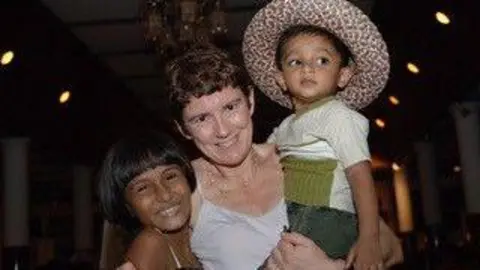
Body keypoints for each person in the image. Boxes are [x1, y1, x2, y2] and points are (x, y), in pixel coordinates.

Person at [165, 46, 401, 269]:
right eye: (201, 119)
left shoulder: (295, 154)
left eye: (230, 108)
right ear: (183, 129)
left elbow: (391, 248)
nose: (223, 130)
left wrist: (331, 267)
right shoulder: (183, 189)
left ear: (250, 101)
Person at [243, 0, 390, 268]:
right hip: (293, 215)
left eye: (322, 60)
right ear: (280, 77)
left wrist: (370, 238)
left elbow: (360, 176)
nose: (307, 68)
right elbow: (257, 158)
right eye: (295, 61)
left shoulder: (339, 116)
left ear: (343, 75)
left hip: (327, 218)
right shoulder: (286, 126)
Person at [98, 131, 201, 270]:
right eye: (143, 188)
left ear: (187, 177)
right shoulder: (151, 243)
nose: (165, 195)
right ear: (128, 207)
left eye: (170, 176)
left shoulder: (204, 228)